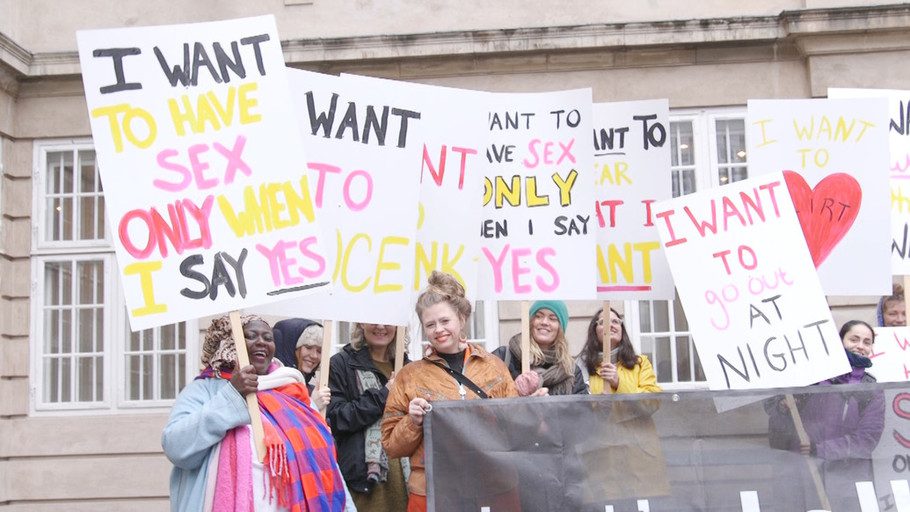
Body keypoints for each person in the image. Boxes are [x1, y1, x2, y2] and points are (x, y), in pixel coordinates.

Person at [162, 314, 349, 512]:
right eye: (251, 335)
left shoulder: (292, 392)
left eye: (268, 338)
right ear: (230, 343)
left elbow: (324, 460)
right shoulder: (204, 391)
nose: (261, 342)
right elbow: (175, 447)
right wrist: (231, 397)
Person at [382, 271, 519, 512]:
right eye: (430, 324)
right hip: (434, 492)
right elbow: (391, 446)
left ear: (461, 318)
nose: (438, 330)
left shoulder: (494, 368)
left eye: (445, 321)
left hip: (492, 487)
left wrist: (528, 402)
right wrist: (412, 422)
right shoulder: (409, 376)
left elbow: (515, 429)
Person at [767, 320, 885, 510]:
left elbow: (867, 439)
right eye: (854, 339)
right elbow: (777, 417)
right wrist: (782, 406)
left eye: (867, 342)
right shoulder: (812, 377)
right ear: (840, 341)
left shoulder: (872, 389)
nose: (860, 346)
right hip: (803, 474)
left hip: (846, 479)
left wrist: (820, 449)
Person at [327, 323, 411, 511]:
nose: (381, 326)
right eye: (374, 319)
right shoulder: (341, 364)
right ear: (360, 323)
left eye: (387, 320)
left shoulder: (408, 367)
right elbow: (336, 418)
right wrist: (384, 395)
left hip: (407, 482)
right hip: (365, 485)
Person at [493, 300, 587, 395]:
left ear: (560, 328)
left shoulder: (571, 371)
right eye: (538, 316)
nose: (544, 322)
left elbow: (583, 408)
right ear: (530, 322)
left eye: (553, 318)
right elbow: (483, 401)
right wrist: (516, 395)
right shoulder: (503, 357)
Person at [576, 308, 661, 394]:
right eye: (603, 322)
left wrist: (619, 383)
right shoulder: (582, 366)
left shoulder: (641, 364)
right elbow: (576, 403)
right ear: (595, 331)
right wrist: (595, 404)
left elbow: (652, 401)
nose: (610, 325)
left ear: (622, 329)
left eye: (615, 322)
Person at [273, 318, 331, 411]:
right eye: (308, 347)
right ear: (291, 348)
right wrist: (313, 406)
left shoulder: (315, 392)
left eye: (319, 351)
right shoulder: (271, 386)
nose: (314, 356)